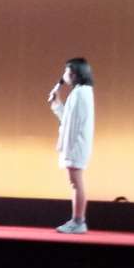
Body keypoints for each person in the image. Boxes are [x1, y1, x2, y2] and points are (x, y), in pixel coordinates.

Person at [48, 58, 95, 234]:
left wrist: (67, 150)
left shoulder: (81, 93)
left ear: (75, 74)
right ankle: (77, 220)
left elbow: (73, 126)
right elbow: (68, 121)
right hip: (74, 145)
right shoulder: (79, 92)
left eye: (66, 72)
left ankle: (78, 221)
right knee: (75, 182)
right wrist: (56, 105)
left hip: (76, 145)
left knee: (76, 182)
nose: (64, 75)